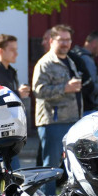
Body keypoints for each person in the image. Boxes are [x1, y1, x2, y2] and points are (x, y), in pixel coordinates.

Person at [32, 25, 82, 176]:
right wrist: (65, 88)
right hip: (53, 123)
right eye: (61, 40)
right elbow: (38, 91)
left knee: (73, 165)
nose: (65, 43)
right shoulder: (45, 63)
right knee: (50, 167)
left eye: (68, 40)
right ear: (52, 41)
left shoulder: (70, 61)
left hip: (72, 120)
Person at [70, 31, 98, 113]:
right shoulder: (87, 60)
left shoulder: (76, 56)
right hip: (88, 108)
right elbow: (91, 87)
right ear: (94, 43)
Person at [0, 34, 31, 101]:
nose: (16, 54)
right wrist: (18, 93)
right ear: (0, 51)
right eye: (12, 50)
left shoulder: (10, 71)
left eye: (16, 50)